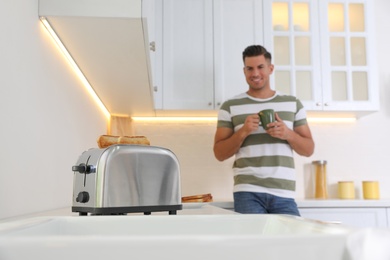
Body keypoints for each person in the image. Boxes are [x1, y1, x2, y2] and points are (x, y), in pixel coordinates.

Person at [213, 45, 314, 216]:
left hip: (284, 192)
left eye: (260, 67)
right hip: (247, 191)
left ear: (270, 68)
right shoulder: (230, 106)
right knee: (254, 243)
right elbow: (219, 153)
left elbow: (308, 149)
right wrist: (243, 131)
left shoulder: (292, 103)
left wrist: (287, 134)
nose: (255, 73)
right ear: (244, 71)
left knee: (291, 242)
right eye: (249, 68)